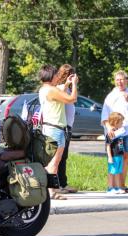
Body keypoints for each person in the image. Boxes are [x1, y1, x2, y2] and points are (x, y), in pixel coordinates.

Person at [38, 64, 77, 200]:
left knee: (51, 163)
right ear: (51, 76)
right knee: (54, 162)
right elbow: (72, 99)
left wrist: (66, 84)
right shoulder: (52, 90)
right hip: (55, 128)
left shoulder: (45, 89)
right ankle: (51, 192)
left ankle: (51, 190)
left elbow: (59, 92)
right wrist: (74, 85)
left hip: (50, 127)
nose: (57, 77)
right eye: (55, 75)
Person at [101, 70, 128, 193]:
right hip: (116, 132)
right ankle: (112, 186)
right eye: (117, 80)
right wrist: (109, 128)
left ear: (126, 80)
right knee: (114, 158)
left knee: (125, 158)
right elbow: (104, 115)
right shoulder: (111, 96)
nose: (119, 82)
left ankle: (122, 185)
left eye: (122, 79)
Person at [56, 64, 78, 194]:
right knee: (59, 157)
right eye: (69, 74)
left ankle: (63, 183)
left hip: (67, 126)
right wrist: (71, 84)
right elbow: (71, 100)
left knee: (64, 157)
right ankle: (57, 185)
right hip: (61, 126)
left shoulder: (68, 89)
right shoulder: (60, 88)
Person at [105, 112, 126, 194]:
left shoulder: (119, 132)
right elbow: (108, 146)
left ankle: (117, 187)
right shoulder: (110, 133)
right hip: (113, 155)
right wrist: (110, 157)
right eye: (121, 122)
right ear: (116, 122)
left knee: (118, 172)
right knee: (112, 172)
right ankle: (110, 188)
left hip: (119, 155)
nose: (122, 123)